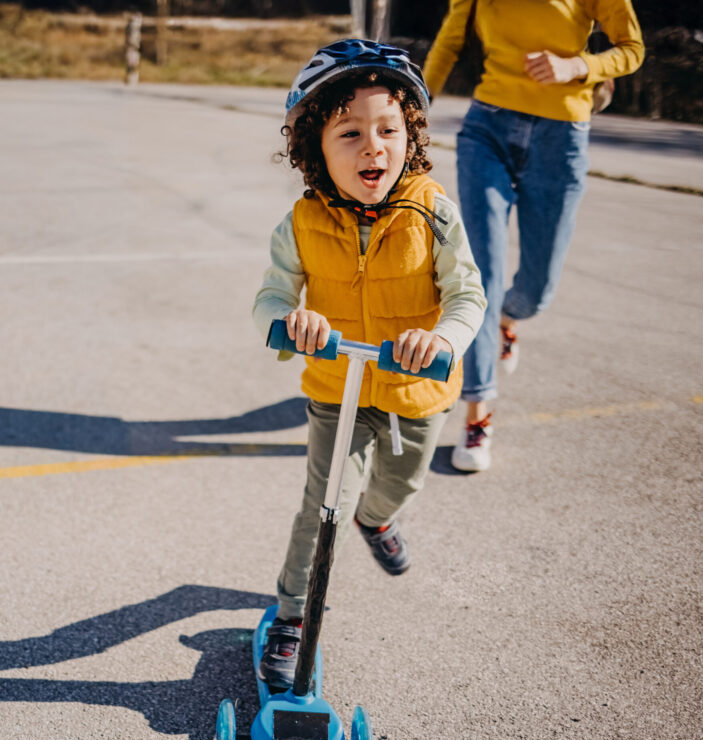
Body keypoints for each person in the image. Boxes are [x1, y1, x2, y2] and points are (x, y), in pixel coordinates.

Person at [252, 40, 487, 689]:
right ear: (314, 149)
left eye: (389, 129)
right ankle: (294, 616)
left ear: (411, 137)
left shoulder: (433, 210)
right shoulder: (300, 224)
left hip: (418, 388)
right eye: (349, 132)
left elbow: (467, 293)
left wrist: (443, 341)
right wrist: (290, 322)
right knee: (323, 503)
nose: (372, 147)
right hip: (337, 388)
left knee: (397, 486)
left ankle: (377, 518)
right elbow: (272, 294)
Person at [423, 0, 644, 472]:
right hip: (488, 127)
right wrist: (414, 107)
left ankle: (511, 317)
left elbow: (631, 49)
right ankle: (478, 411)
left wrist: (579, 65)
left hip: (560, 137)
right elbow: (449, 41)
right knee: (480, 273)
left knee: (537, 291)